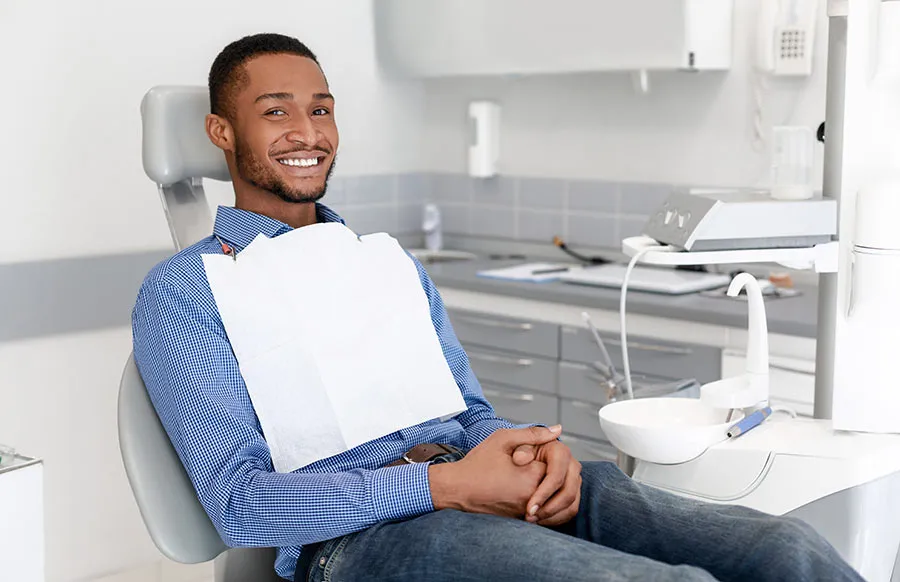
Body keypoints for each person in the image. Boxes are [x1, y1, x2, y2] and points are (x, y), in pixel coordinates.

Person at [132, 33, 862, 582]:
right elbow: (241, 505)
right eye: (275, 111)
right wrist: (446, 486)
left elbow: (470, 414)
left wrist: (535, 453)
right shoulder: (185, 293)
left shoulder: (382, 265)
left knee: (787, 552)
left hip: (482, 478)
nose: (308, 132)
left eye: (320, 109)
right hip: (366, 539)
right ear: (222, 133)